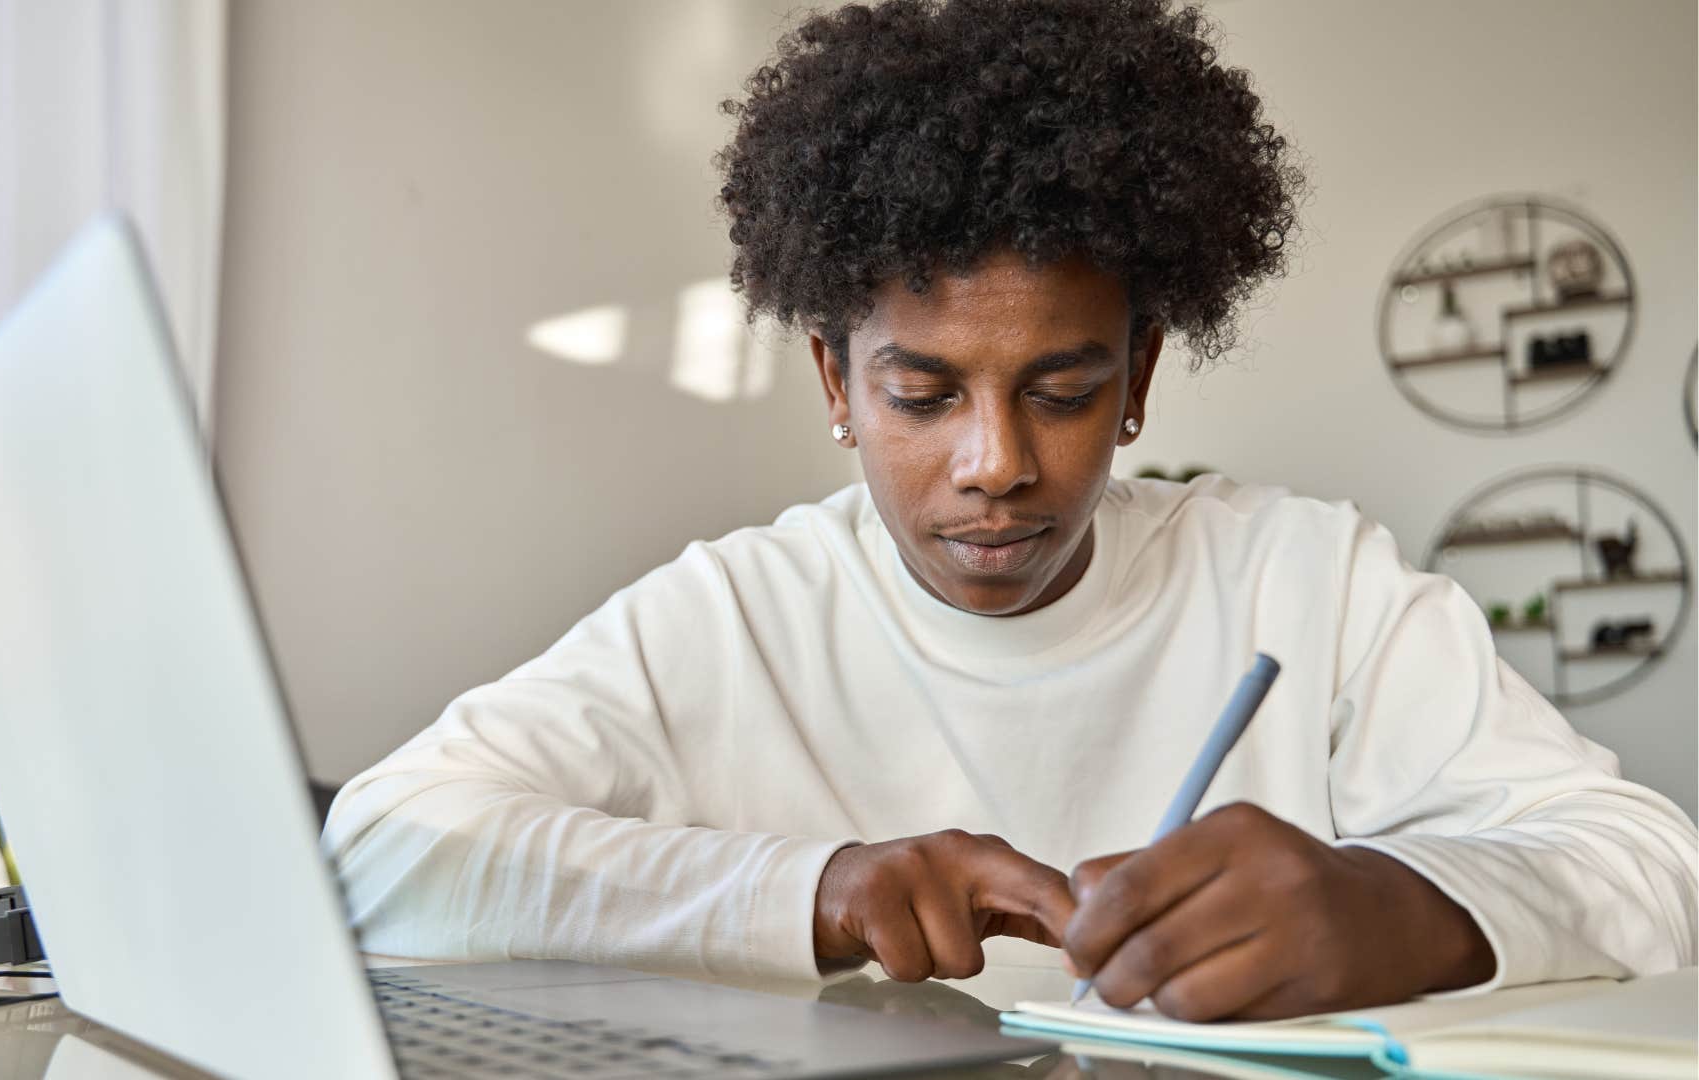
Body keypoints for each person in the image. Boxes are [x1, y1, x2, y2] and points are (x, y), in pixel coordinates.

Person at [323, 0, 1696, 1021]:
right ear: (836, 382)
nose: (995, 464)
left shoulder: (1307, 582)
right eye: (924, 396)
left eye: (1062, 389)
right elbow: (380, 854)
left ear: (1141, 375)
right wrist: (815, 890)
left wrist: (1403, 913)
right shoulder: (736, 615)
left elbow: (1653, 868)